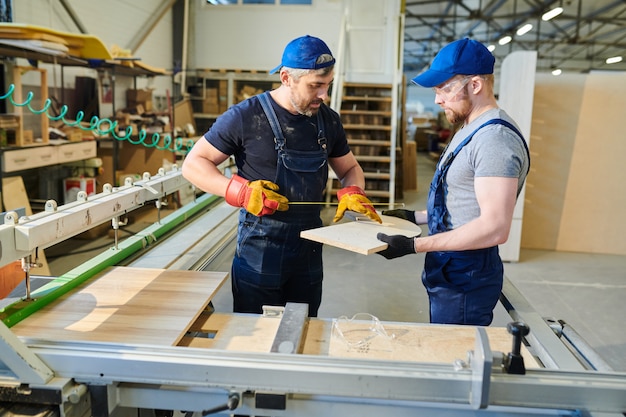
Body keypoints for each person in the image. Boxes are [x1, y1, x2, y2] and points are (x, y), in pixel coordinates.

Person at [182, 35, 381, 318]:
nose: (324, 95)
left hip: (309, 246)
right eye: (315, 86)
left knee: (303, 325)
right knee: (256, 333)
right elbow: (193, 164)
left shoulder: (328, 120)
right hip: (260, 245)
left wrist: (353, 190)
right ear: (286, 78)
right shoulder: (246, 117)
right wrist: (241, 192)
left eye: (328, 85)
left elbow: (350, 169)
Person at [377, 38, 530, 326]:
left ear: (475, 85)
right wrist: (416, 217)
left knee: (457, 360)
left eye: (444, 89)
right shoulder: (469, 127)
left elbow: (495, 227)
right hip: (449, 265)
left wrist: (414, 246)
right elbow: (463, 202)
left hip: (466, 275)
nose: (437, 99)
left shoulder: (494, 140)